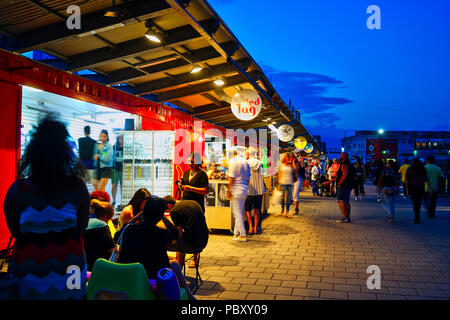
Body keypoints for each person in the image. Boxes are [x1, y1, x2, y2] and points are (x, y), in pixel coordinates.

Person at [3, 117, 90, 299]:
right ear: (65, 153)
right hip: (71, 269)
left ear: (33, 153)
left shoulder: (18, 190)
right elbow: (80, 229)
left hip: (28, 269)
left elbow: (16, 231)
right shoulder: (77, 187)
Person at [117, 196, 196, 300]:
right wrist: (163, 217)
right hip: (154, 280)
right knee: (175, 265)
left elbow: (117, 235)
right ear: (160, 215)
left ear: (144, 211)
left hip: (129, 276)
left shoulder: (129, 230)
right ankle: (190, 297)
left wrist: (135, 218)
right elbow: (175, 233)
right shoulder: (160, 234)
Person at [164, 199, 209, 267]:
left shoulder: (174, 211)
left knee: (162, 244)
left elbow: (179, 235)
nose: (167, 212)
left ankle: (174, 268)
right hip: (204, 241)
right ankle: (179, 266)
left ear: (169, 206)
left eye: (166, 211)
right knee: (185, 237)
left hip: (193, 245)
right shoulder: (192, 202)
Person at [83, 199, 115, 271]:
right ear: (104, 216)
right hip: (98, 266)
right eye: (108, 219)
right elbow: (112, 248)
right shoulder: (102, 226)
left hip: (83, 264)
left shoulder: (85, 222)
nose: (108, 222)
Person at [227, 147, 251, 241]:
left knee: (237, 213)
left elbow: (231, 177)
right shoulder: (245, 162)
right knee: (239, 212)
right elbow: (249, 178)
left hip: (236, 189)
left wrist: (229, 190)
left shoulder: (233, 161)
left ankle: (243, 235)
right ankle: (235, 234)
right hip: (244, 189)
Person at [245, 147, 266, 235]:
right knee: (257, 210)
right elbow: (262, 175)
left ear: (249, 154)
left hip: (249, 190)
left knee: (248, 210)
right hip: (259, 190)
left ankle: (250, 228)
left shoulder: (245, 163)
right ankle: (255, 228)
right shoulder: (261, 164)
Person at [405, 158, 432, 224]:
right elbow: (426, 179)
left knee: (415, 203)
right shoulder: (423, 169)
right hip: (420, 188)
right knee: (418, 203)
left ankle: (416, 217)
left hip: (412, 188)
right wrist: (430, 189)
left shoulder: (410, 169)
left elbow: (407, 179)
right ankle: (417, 217)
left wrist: (406, 189)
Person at [378, 160, 400, 224]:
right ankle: (390, 215)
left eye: (387, 163)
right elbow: (397, 182)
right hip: (394, 188)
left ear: (389, 164)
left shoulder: (385, 170)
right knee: (392, 203)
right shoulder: (396, 171)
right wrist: (398, 191)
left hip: (386, 188)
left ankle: (390, 216)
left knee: (385, 202)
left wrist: (379, 187)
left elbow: (381, 179)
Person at [335, 152, 354, 223]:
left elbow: (345, 175)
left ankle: (344, 217)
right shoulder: (349, 164)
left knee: (341, 200)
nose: (339, 156)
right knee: (346, 201)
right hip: (347, 185)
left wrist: (339, 183)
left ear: (343, 156)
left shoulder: (344, 164)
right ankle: (347, 217)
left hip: (343, 186)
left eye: (341, 155)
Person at [111, 134, 124, 208]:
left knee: (122, 186)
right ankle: (113, 200)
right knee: (114, 185)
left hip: (122, 168)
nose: (121, 140)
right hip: (115, 168)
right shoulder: (114, 147)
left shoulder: (126, 148)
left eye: (122, 138)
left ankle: (123, 202)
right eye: (119, 138)